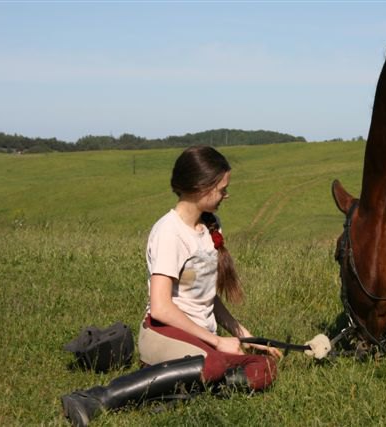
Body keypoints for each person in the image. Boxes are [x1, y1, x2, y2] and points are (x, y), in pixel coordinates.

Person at [62, 146, 281, 427]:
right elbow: (161, 308)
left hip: (201, 341)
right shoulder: (169, 232)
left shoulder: (211, 227)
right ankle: (95, 398)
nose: (227, 194)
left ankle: (174, 393)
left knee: (263, 370)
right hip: (163, 334)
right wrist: (216, 341)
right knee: (215, 363)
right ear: (201, 187)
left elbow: (207, 299)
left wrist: (247, 337)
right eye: (222, 188)